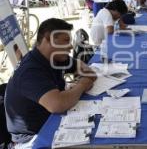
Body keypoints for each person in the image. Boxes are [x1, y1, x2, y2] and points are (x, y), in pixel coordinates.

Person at [5, 18, 96, 148]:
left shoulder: (56, 57)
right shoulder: (30, 70)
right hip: (32, 139)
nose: (71, 46)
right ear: (48, 40)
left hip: (52, 122)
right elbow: (58, 104)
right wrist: (82, 85)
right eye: (66, 41)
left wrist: (80, 83)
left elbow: (88, 71)